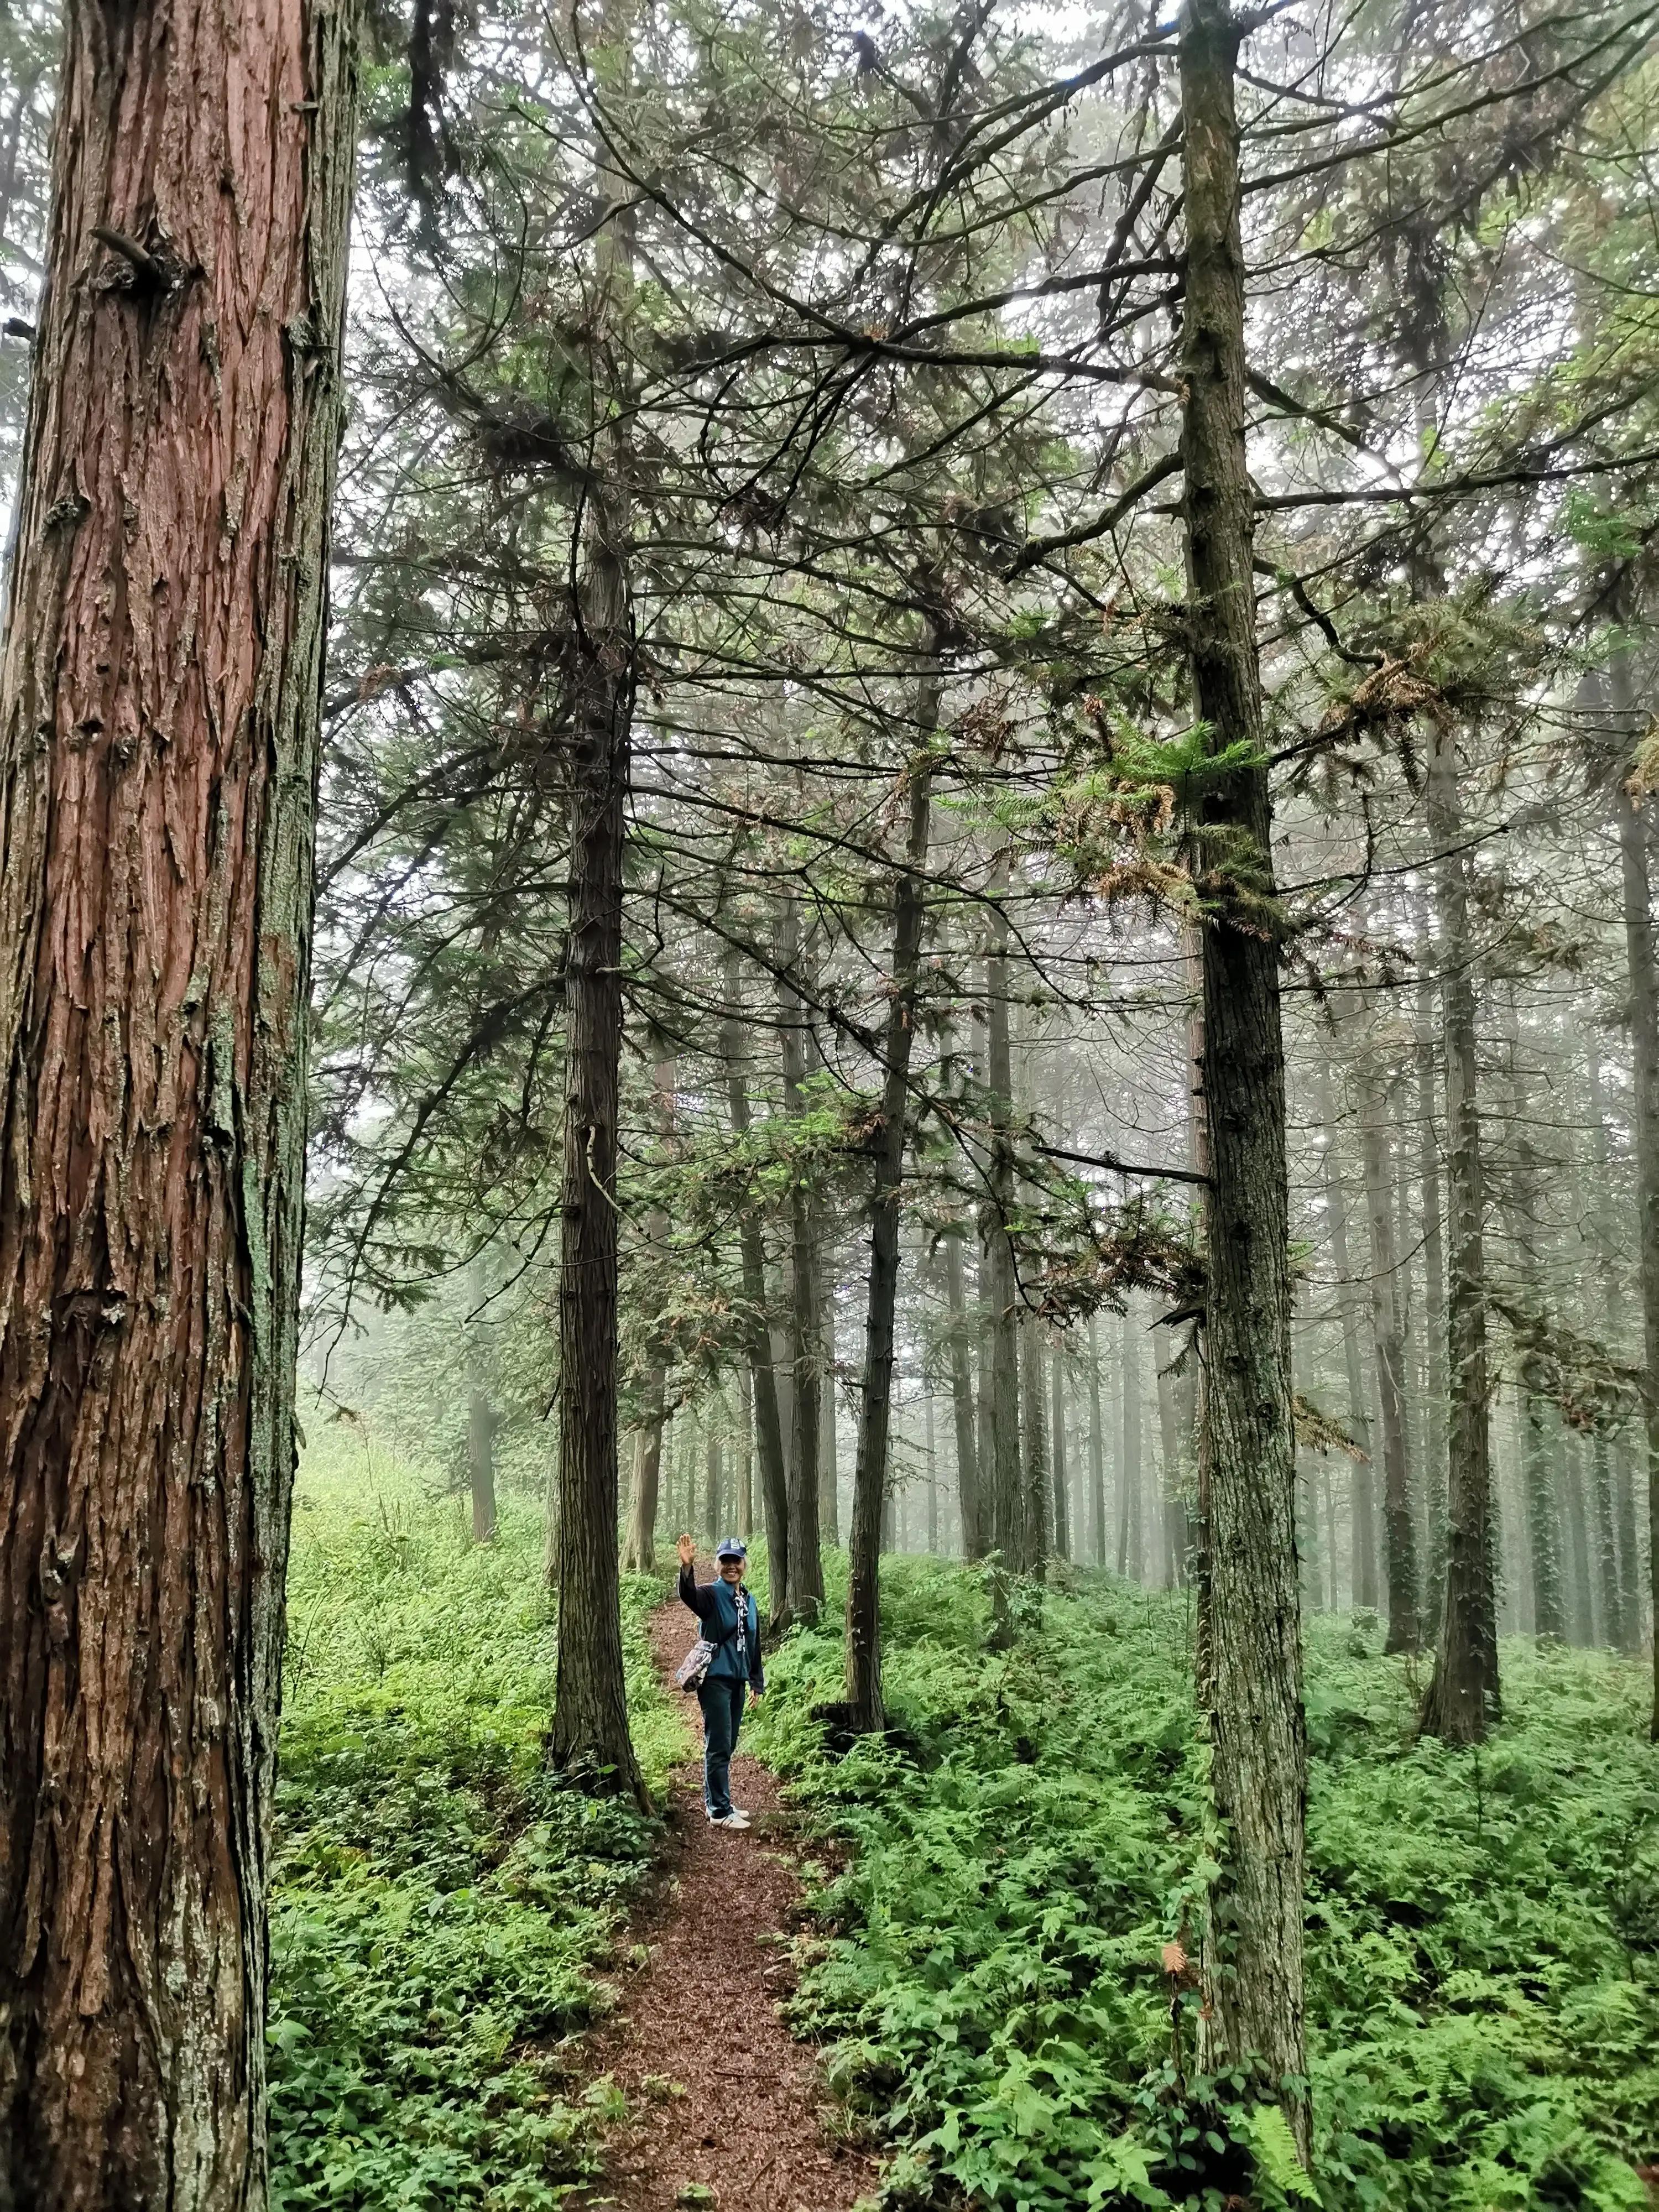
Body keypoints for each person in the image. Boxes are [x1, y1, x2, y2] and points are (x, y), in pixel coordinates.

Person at [676, 1532, 764, 1829]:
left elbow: (754, 1643)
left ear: (744, 1564)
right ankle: (719, 1811)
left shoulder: (748, 1600)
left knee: (729, 1742)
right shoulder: (711, 1596)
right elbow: (689, 1596)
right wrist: (687, 1567)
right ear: (717, 1565)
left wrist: (756, 1683)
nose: (731, 1566)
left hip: (738, 1681)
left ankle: (718, 1799)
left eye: (736, 1561)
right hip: (715, 1680)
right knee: (718, 1743)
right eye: (725, 1561)